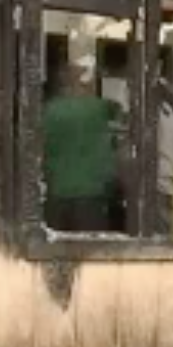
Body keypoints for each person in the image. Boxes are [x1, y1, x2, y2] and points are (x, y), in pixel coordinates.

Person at [42, 64, 121, 232]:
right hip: (91, 194)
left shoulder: (48, 110)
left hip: (57, 192)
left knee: (56, 244)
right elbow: (122, 114)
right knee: (89, 244)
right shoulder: (99, 108)